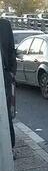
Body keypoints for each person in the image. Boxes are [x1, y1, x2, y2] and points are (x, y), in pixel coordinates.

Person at [0, 18, 17, 159]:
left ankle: (10, 148)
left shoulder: (4, 25)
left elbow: (11, 49)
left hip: (4, 75)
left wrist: (11, 72)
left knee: (5, 113)